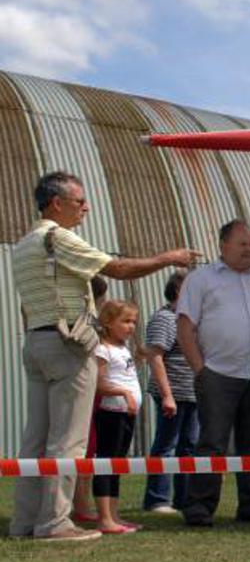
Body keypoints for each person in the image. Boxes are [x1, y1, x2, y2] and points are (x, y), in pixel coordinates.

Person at [10, 171, 197, 541]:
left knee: (36, 439)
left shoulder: (24, 244)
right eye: (80, 201)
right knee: (68, 439)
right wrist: (169, 257)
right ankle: (55, 523)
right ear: (56, 203)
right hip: (66, 345)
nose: (86, 208)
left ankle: (25, 521)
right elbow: (117, 268)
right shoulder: (57, 237)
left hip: (37, 341)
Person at [177, 219, 250, 527]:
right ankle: (199, 507)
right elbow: (185, 326)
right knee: (212, 440)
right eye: (243, 244)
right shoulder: (202, 279)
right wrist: (201, 370)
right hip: (219, 372)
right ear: (223, 246)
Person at [140, 271, 199, 515]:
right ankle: (157, 499)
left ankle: (183, 499)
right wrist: (166, 395)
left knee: (189, 446)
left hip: (192, 394)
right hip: (173, 393)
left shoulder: (191, 320)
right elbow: (155, 357)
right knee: (166, 444)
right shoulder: (164, 318)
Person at [91, 300, 144, 535]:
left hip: (126, 414)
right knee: (105, 462)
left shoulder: (123, 349)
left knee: (117, 464)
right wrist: (123, 393)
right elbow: (99, 384)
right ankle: (104, 517)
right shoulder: (103, 349)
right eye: (125, 321)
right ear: (108, 323)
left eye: (133, 321)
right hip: (111, 413)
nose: (131, 326)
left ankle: (114, 515)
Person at [73, 274, 111, 523]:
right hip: (89, 394)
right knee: (84, 450)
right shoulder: (90, 323)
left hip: (90, 394)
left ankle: (80, 503)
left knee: (87, 450)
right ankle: (80, 504)